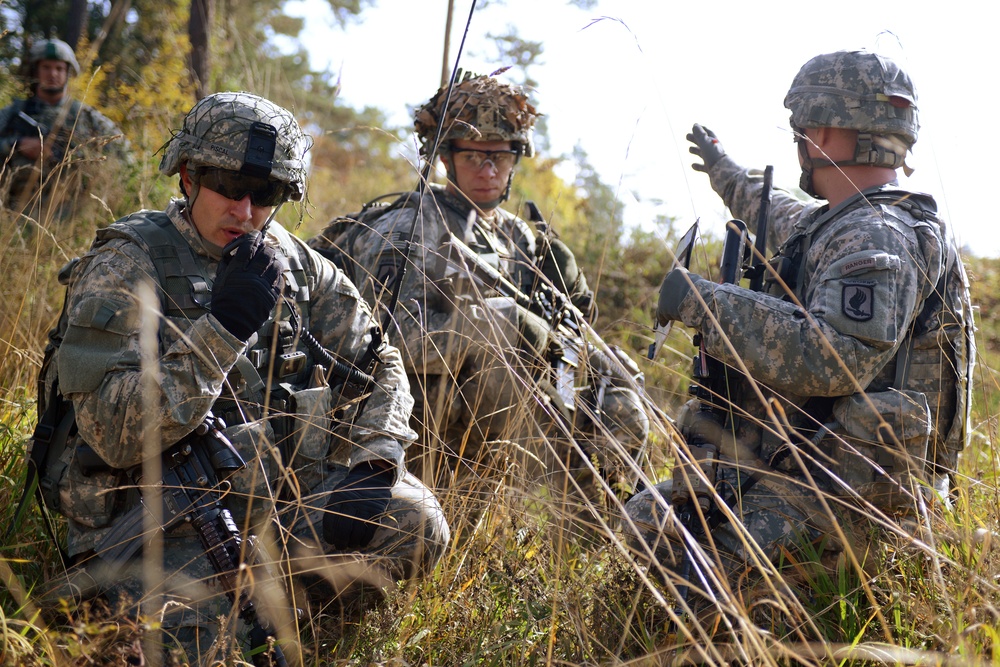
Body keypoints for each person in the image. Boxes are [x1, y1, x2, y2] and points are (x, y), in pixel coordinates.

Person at [42, 91, 449, 665]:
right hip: (153, 533)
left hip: (272, 509)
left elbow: (380, 359)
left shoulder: (294, 263)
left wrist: (375, 460)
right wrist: (224, 331)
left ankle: (308, 626)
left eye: (267, 195)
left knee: (414, 519)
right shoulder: (126, 263)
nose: (247, 212)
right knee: (200, 652)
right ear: (189, 175)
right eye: (230, 189)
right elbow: (114, 432)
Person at [624, 50, 974, 617]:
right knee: (644, 526)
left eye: (802, 129)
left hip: (856, 494)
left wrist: (703, 303)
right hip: (812, 463)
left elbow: (833, 358)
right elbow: (772, 208)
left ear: (824, 132)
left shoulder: (873, 235)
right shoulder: (842, 220)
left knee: (702, 592)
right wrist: (722, 167)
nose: (800, 142)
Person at [309, 71, 651, 525]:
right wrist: (488, 326)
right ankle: (462, 521)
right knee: (504, 367)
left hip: (508, 401)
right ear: (446, 158)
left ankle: (592, 543)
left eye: (501, 157)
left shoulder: (518, 237)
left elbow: (560, 328)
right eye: (473, 156)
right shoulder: (407, 227)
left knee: (621, 403)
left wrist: (587, 357)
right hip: (411, 414)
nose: (488, 170)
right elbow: (385, 344)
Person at [0, 38, 131, 220]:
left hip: (71, 214)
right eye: (46, 67)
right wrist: (17, 144)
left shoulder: (86, 116)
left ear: (68, 72)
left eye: (59, 68)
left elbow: (124, 151)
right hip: (14, 211)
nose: (52, 74)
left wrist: (88, 163)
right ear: (35, 70)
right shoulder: (14, 113)